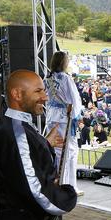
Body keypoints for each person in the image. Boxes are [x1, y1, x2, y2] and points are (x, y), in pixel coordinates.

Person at [0, 70, 77, 220]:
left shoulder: (14, 126)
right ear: (17, 94)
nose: (45, 96)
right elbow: (35, 190)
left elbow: (22, 163)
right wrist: (68, 195)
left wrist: (44, 144)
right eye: (38, 91)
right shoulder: (19, 133)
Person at [43, 51, 83, 195]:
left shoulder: (47, 78)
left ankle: (61, 183)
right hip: (64, 118)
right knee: (69, 151)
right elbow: (75, 99)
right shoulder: (65, 78)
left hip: (51, 117)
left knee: (58, 150)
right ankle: (67, 185)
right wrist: (76, 115)